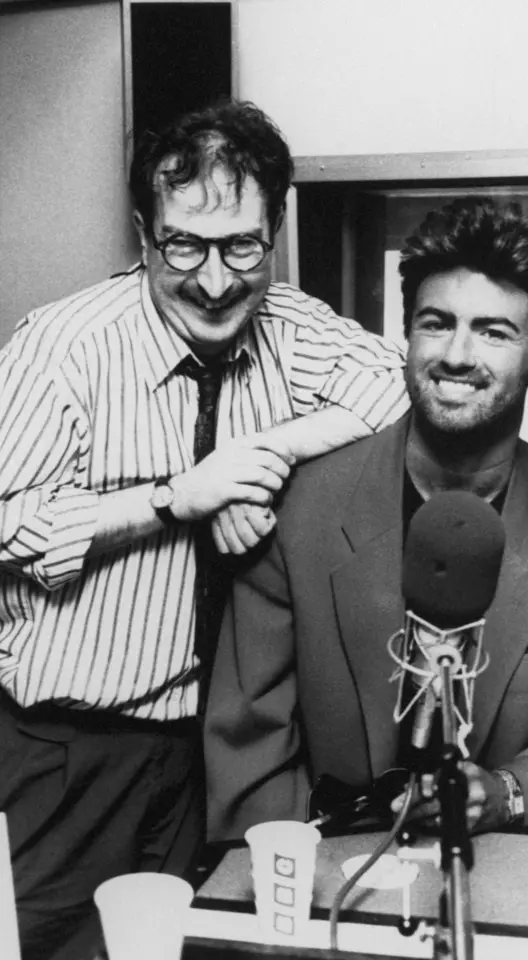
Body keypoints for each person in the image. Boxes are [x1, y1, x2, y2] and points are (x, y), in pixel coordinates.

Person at [0, 100, 408, 958]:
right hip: (71, 750)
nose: (216, 281)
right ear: (145, 234)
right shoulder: (63, 348)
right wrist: (177, 499)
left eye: (242, 247)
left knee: (208, 949)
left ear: (276, 231)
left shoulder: (296, 331)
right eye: (184, 245)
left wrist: (265, 461)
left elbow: (406, 390)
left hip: (212, 754)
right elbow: (9, 526)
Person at [204, 196, 528, 841]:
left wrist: (504, 796)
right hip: (324, 870)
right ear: (405, 336)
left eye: (495, 332)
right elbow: (250, 740)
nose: (458, 355)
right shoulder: (298, 511)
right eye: (436, 323)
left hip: (501, 871)